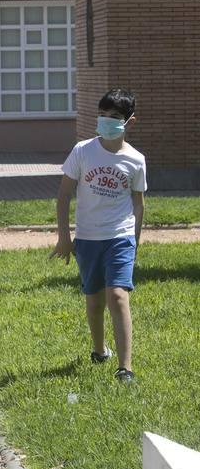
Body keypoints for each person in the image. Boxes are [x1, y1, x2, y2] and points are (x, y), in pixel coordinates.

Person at [51, 88, 146, 383]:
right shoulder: (82, 151)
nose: (106, 121)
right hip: (88, 238)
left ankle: (125, 367)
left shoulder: (136, 160)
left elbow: (139, 203)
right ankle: (98, 350)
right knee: (94, 301)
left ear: (129, 122)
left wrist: (135, 243)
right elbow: (64, 195)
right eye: (103, 115)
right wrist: (64, 237)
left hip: (120, 237)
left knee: (117, 295)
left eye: (114, 117)